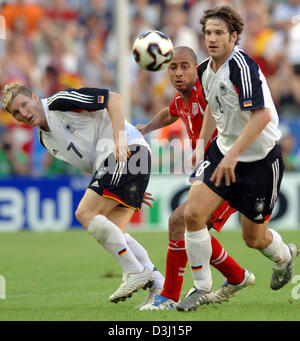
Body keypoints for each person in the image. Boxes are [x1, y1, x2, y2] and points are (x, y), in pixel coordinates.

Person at [176, 5, 298, 312]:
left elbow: (261, 117)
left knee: (253, 238)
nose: (212, 39)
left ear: (234, 36)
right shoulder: (204, 70)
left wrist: (233, 154)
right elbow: (213, 111)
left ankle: (285, 256)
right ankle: (202, 288)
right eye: (208, 33)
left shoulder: (242, 67)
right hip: (225, 153)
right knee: (191, 215)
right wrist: (202, 144)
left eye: (219, 33)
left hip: (260, 161)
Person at [1, 82, 165, 304]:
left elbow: (114, 99)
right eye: (16, 113)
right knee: (115, 232)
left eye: (24, 104)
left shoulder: (60, 102)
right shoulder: (44, 139)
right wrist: (126, 183)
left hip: (126, 151)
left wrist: (119, 140)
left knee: (84, 213)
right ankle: (158, 286)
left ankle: (134, 271)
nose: (23, 113)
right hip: (123, 162)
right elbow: (90, 161)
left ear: (34, 97)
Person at [136, 46, 255, 310]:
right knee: (190, 226)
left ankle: (169, 296)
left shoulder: (207, 92)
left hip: (228, 172)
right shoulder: (182, 101)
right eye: (173, 67)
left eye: (185, 66)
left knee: (181, 221)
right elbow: (170, 112)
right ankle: (237, 276)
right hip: (210, 173)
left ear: (197, 69)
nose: (178, 73)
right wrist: (146, 127)